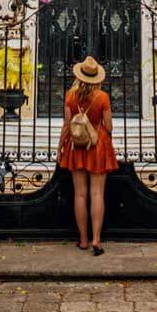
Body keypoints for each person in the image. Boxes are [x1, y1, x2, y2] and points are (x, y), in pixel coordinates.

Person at [58, 55, 118, 255]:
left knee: (80, 194)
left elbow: (67, 126)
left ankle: (83, 240)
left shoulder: (70, 95)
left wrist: (60, 147)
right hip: (97, 145)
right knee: (97, 193)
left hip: (76, 146)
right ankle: (96, 240)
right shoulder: (102, 97)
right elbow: (108, 126)